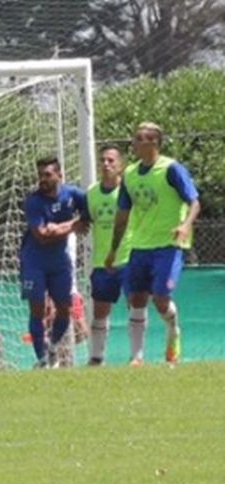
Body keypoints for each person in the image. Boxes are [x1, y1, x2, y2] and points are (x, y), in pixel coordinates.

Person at [104, 122, 201, 365]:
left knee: (160, 299)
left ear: (153, 143)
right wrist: (113, 250)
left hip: (168, 245)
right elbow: (123, 214)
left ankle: (173, 332)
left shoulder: (171, 169)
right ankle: (136, 357)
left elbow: (194, 201)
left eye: (139, 138)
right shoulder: (129, 174)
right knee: (135, 298)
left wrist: (185, 224)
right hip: (140, 246)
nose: (133, 143)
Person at [19, 156, 88, 368]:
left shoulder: (73, 194)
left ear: (59, 175)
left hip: (60, 261)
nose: (43, 179)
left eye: (47, 174)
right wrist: (72, 226)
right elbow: (41, 235)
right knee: (38, 310)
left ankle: (51, 348)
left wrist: (61, 227)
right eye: (40, 175)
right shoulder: (33, 201)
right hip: (34, 261)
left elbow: (88, 215)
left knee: (64, 309)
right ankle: (41, 359)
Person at [82, 144, 131, 365]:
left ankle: (136, 355)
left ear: (120, 166)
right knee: (100, 311)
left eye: (111, 161)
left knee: (135, 306)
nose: (106, 164)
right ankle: (96, 357)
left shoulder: (128, 191)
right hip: (102, 262)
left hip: (128, 258)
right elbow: (85, 220)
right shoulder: (91, 192)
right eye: (103, 160)